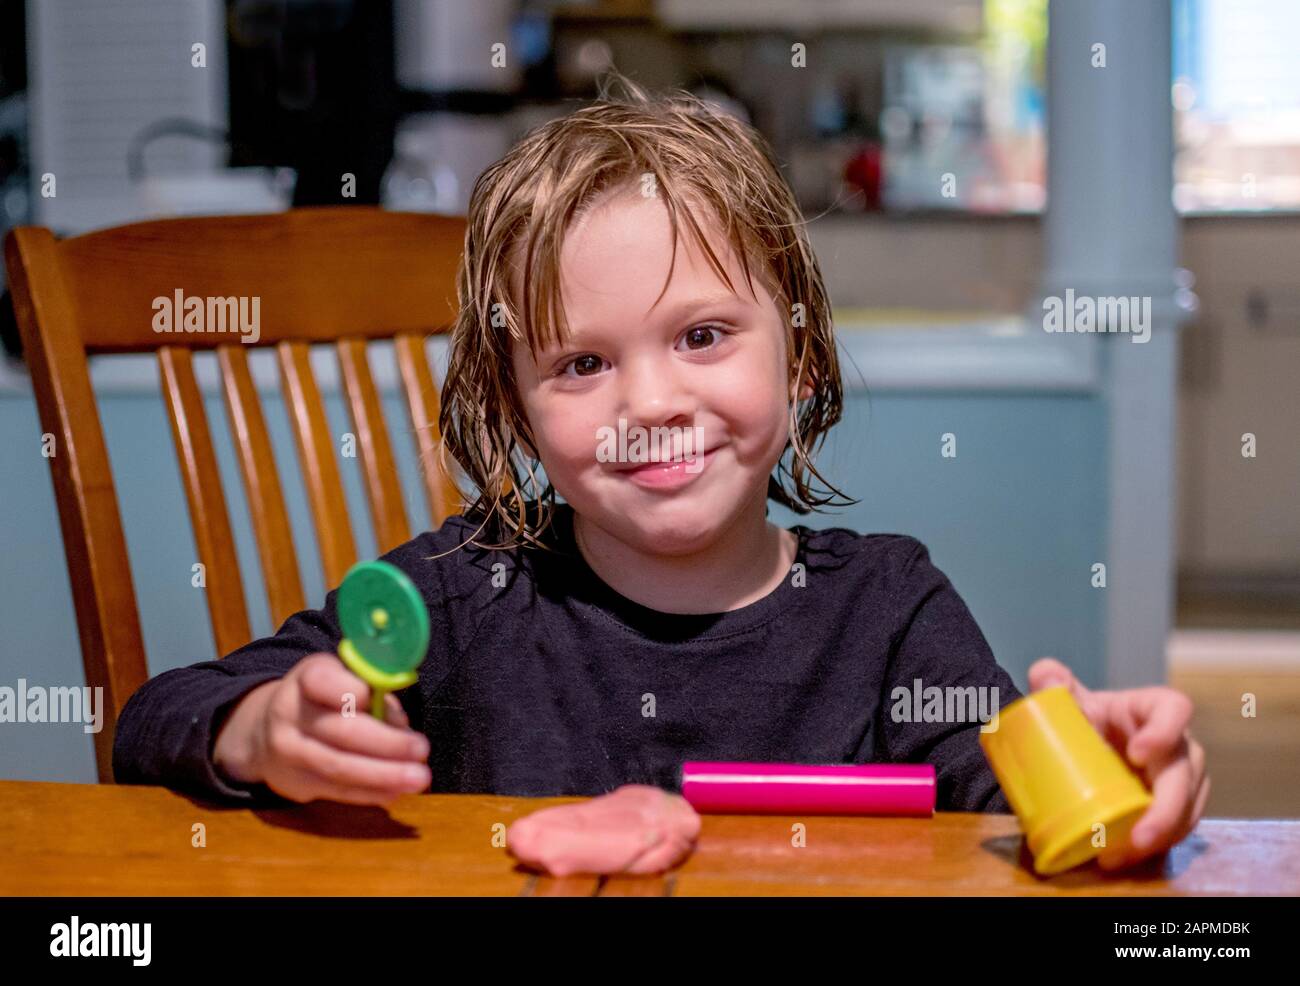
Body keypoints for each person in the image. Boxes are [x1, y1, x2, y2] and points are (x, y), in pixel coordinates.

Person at [113, 75, 1208, 877]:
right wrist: (259, 730)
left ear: (800, 354)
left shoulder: (888, 609)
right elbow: (151, 719)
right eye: (582, 362)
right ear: (516, 410)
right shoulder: (463, 592)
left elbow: (1021, 809)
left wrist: (1117, 790)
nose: (647, 405)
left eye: (701, 335)